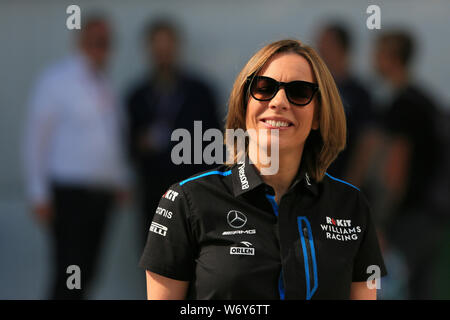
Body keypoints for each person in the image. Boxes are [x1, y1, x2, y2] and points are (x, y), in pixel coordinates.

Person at [139, 39, 387, 299]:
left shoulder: (351, 205)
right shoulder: (186, 201)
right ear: (244, 104)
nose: (279, 102)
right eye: (264, 88)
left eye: (300, 92)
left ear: (318, 116)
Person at [24, 15, 128, 299]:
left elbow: (110, 139)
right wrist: (38, 193)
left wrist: (120, 179)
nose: (101, 47)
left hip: (101, 196)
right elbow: (36, 139)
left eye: (106, 42)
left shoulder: (104, 84)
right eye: (95, 40)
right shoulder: (57, 80)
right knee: (70, 271)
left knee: (89, 272)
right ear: (80, 41)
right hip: (70, 195)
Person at [125, 19, 221, 245]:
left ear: (177, 47)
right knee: (156, 257)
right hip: (153, 195)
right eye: (158, 47)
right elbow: (125, 145)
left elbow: (216, 142)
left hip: (194, 191)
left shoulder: (201, 92)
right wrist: (140, 144)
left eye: (167, 46)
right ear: (149, 49)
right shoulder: (137, 96)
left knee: (197, 257)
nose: (163, 53)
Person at [373, 30, 442, 299]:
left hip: (407, 218)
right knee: (424, 289)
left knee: (394, 289)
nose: (373, 60)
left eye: (378, 54)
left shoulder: (402, 105)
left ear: (392, 58)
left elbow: (396, 171)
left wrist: (381, 220)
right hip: (433, 215)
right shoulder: (427, 101)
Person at [316, 23, 374, 182]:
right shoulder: (313, 89)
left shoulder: (359, 93)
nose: (319, 48)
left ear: (341, 47)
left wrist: (353, 181)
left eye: (325, 43)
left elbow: (367, 141)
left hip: (341, 178)